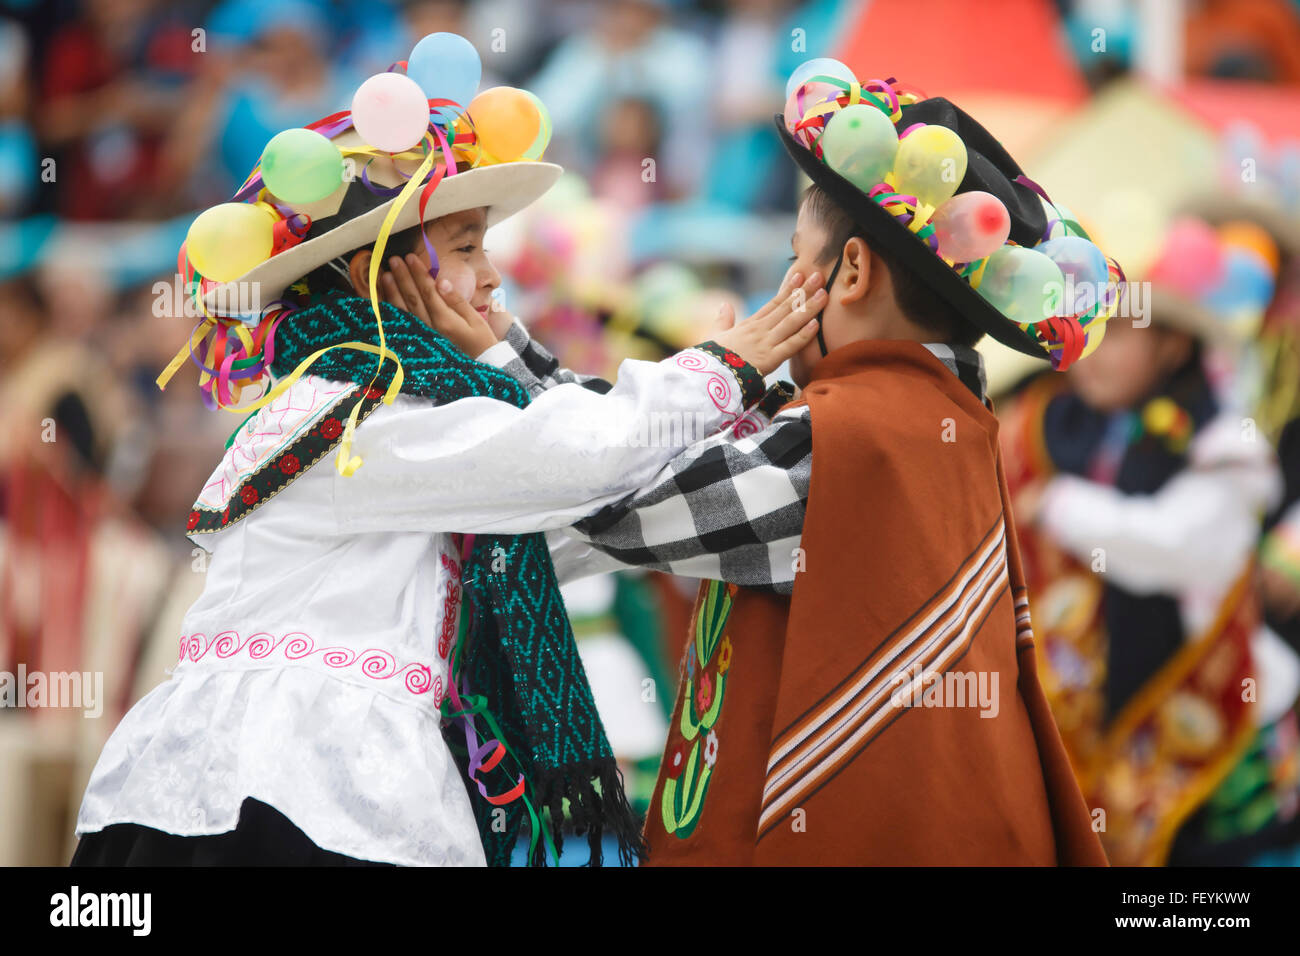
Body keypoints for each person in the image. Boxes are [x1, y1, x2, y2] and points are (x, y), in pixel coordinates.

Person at [69, 54, 823, 868]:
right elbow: (576, 461)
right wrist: (722, 365)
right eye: (465, 247)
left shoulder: (414, 410)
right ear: (379, 274)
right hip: (275, 797)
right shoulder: (353, 412)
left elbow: (584, 513)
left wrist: (723, 412)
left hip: (330, 796)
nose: (492, 277)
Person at [435, 69, 1115, 864]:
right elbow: (639, 467)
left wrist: (506, 357)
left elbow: (613, 496)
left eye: (796, 259)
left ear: (851, 273)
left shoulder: (855, 437)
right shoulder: (923, 421)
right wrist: (523, 350)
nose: (781, 285)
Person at [999, 216, 1299, 866]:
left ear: (1171, 345)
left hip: (1205, 716)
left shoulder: (1226, 445)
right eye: (1086, 330)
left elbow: (1183, 549)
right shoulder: (1043, 420)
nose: (1094, 350)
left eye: (1118, 334)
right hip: (1081, 709)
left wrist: (1058, 505)